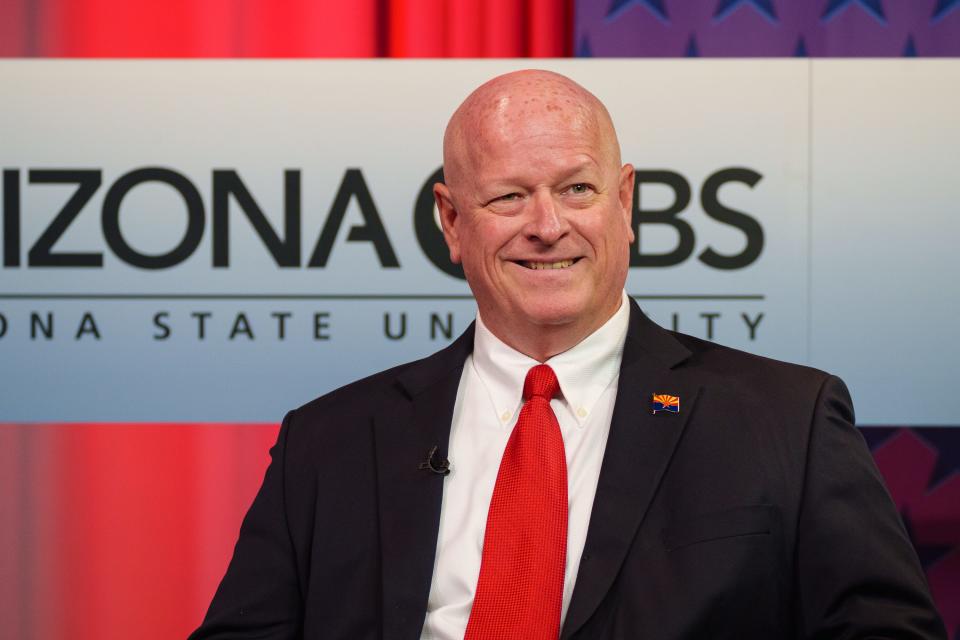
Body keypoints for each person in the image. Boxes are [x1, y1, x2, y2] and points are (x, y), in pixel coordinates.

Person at [190, 70, 946, 639]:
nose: (547, 226)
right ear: (452, 222)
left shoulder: (788, 421)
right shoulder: (327, 443)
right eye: (508, 197)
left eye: (577, 189)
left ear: (625, 203)